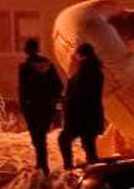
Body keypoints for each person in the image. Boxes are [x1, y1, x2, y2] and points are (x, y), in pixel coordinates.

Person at [15, 37, 63, 174]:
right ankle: (42, 163)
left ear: (27, 50)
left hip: (32, 107)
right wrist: (52, 101)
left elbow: (23, 89)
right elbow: (58, 85)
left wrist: (23, 105)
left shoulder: (25, 67)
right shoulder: (48, 66)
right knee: (41, 135)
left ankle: (41, 164)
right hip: (47, 107)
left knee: (37, 136)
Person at [59, 41, 106, 169]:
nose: (75, 57)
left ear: (82, 56)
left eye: (77, 55)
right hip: (91, 116)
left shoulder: (84, 73)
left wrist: (66, 101)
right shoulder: (95, 71)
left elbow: (79, 96)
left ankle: (69, 167)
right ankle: (94, 168)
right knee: (89, 145)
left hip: (80, 117)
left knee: (64, 139)